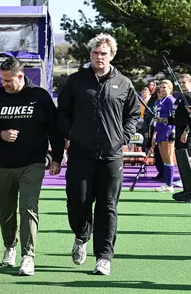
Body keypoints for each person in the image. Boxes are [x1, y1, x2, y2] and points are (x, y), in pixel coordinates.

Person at [57, 33, 140, 275]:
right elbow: (62, 112)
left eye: (103, 53)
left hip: (111, 157)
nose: (99, 57)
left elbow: (133, 114)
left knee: (107, 207)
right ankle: (81, 237)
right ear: (90, 54)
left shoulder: (124, 83)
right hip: (81, 154)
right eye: (95, 53)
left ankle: (104, 257)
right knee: (78, 202)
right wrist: (69, 132)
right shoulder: (75, 81)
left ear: (111, 55)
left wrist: (123, 137)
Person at [0, 57, 64, 276]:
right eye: (2, 79)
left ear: (20, 76)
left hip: (33, 163)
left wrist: (57, 158)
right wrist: (0, 134)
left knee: (28, 207)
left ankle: (28, 256)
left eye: (8, 80)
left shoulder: (40, 97)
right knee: (5, 211)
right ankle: (10, 246)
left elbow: (55, 129)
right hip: (3, 165)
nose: (3, 84)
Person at [153, 80, 176, 192]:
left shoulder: (170, 100)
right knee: (164, 159)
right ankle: (166, 183)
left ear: (170, 89)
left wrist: (163, 120)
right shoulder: (160, 101)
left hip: (168, 130)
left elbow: (174, 118)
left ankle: (169, 184)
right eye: (161, 87)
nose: (162, 89)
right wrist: (154, 133)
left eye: (165, 87)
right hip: (160, 131)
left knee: (168, 158)